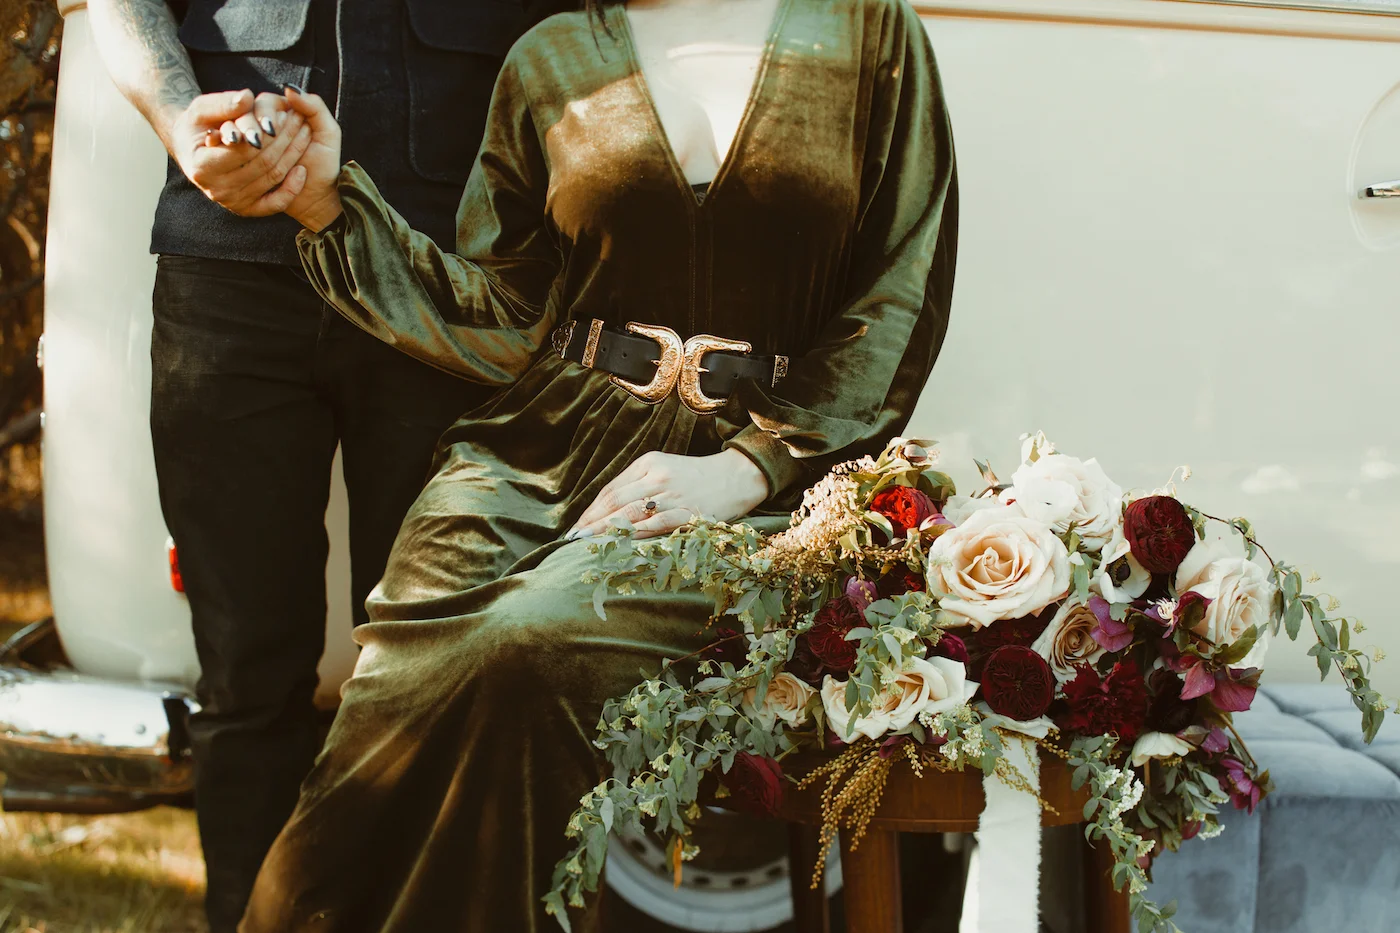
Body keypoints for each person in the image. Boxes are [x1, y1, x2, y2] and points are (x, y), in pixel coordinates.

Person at [237, 0, 958, 929]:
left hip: (768, 487)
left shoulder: (871, 32)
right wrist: (327, 206)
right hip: (532, 452)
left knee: (527, 642)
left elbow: (899, 297)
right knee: (393, 696)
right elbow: (509, 313)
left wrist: (746, 467)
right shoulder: (549, 55)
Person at [84, 1, 568, 930]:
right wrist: (181, 122)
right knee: (245, 675)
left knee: (430, 672)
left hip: (444, 280)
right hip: (226, 266)